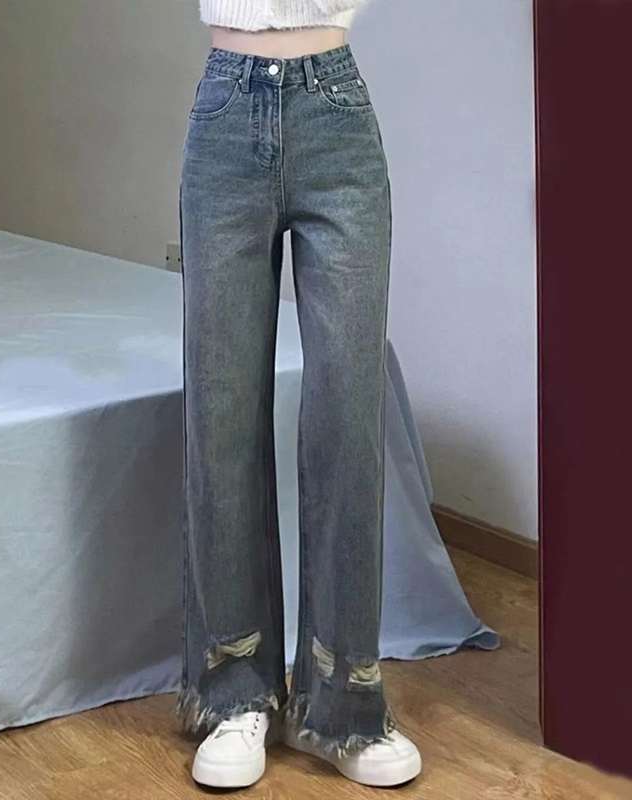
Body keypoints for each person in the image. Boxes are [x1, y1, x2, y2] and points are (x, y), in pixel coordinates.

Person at [176, 0, 422, 789]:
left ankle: (343, 704)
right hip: (226, 110)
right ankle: (234, 694)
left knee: (348, 420)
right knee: (220, 419)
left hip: (336, 115)